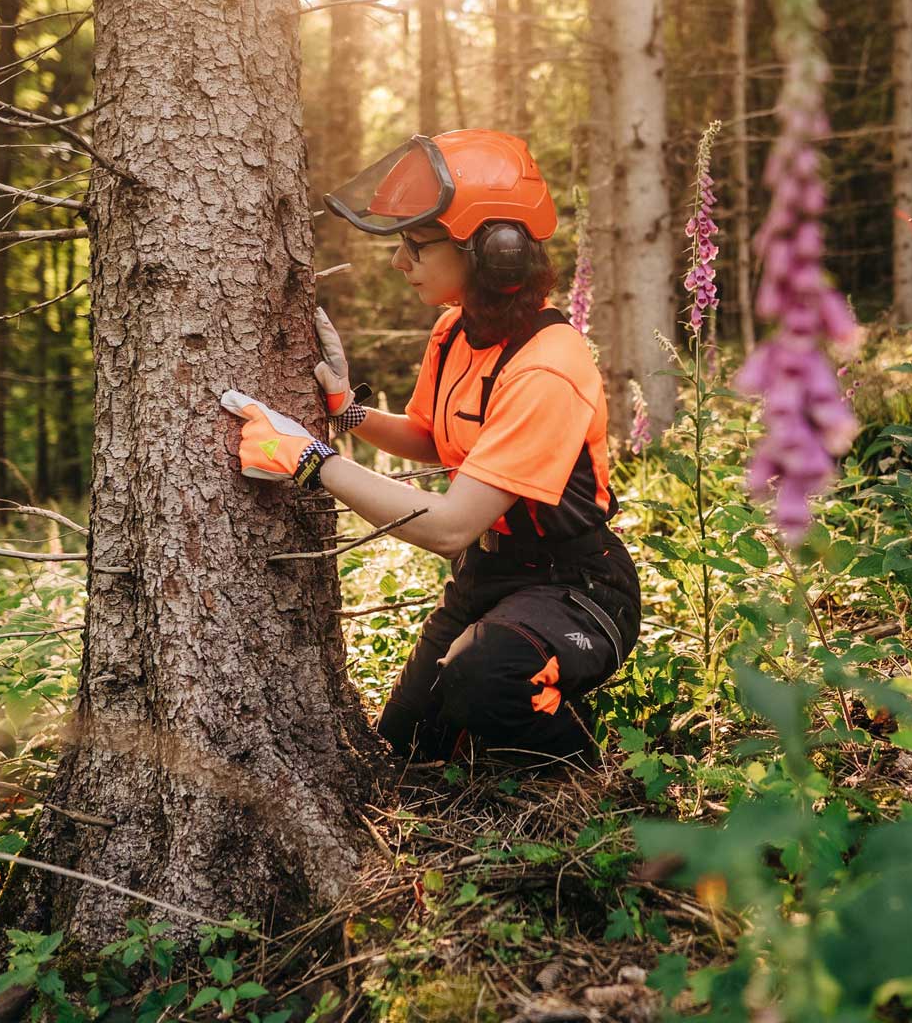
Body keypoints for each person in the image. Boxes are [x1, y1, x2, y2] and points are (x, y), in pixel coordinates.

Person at [222, 129, 640, 767]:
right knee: (408, 747)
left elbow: (448, 527)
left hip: (577, 587)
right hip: (490, 578)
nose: (400, 263)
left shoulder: (548, 367)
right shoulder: (454, 332)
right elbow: (434, 435)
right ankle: (501, 710)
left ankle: (584, 769)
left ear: (493, 253)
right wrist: (346, 412)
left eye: (416, 246)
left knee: (486, 680)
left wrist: (312, 462)